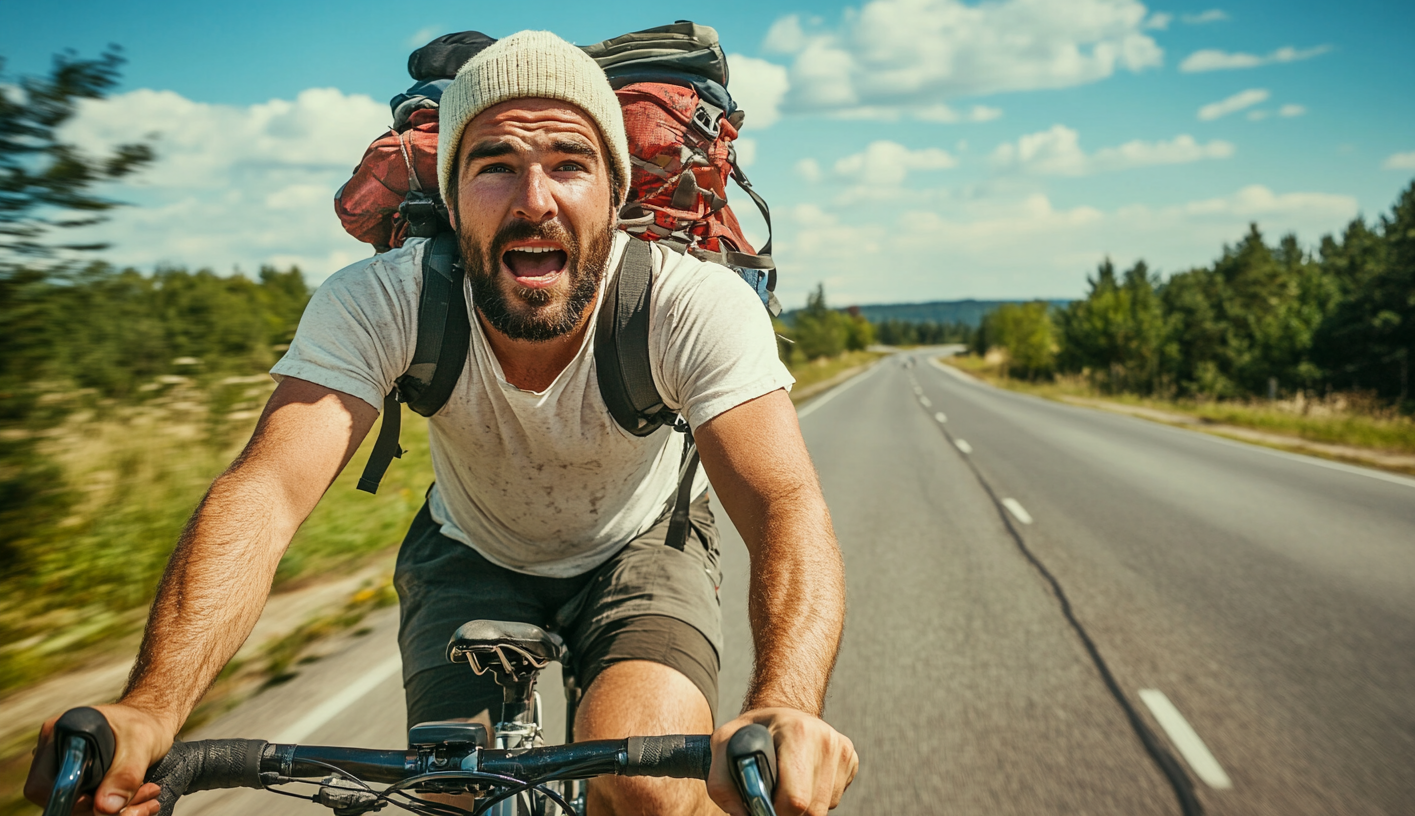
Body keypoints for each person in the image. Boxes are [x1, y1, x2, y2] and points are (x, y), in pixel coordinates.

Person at [25, 30, 857, 816]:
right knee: (451, 790)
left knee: (646, 791)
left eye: (570, 164)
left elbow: (784, 499)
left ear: (615, 195)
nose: (535, 202)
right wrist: (150, 704)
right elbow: (269, 490)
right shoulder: (384, 299)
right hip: (468, 549)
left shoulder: (687, 304)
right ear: (454, 201)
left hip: (639, 549)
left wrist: (784, 707)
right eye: (494, 165)